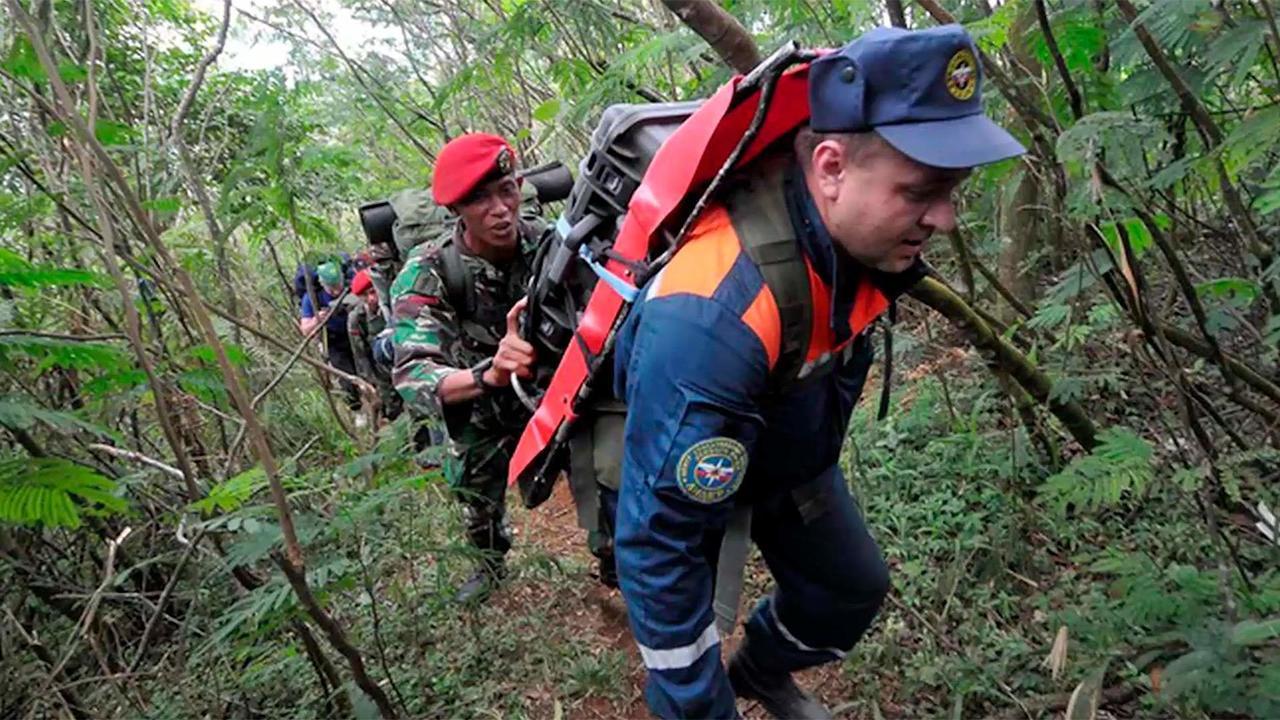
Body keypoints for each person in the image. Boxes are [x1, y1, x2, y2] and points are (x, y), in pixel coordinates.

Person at [609, 26, 1025, 719]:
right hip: (694, 461)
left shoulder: (854, 237)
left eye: (953, 190)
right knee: (687, 631)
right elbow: (657, 546)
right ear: (829, 165)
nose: (946, 219)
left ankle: (763, 673)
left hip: (787, 451)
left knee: (848, 589)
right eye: (922, 190)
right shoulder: (713, 318)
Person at [390, 132, 546, 604]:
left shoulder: (550, 243)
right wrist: (489, 376)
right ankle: (491, 561)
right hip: (482, 404)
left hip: (553, 390)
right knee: (477, 494)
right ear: (456, 209)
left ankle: (612, 553)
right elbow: (414, 375)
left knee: (606, 470)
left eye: (506, 190)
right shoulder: (430, 270)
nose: (500, 209)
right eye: (480, 199)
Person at [299, 261, 361, 413]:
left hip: (357, 333)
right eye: (331, 288)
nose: (335, 291)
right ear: (321, 283)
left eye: (337, 285)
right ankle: (357, 410)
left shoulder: (350, 286)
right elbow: (305, 329)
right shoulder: (312, 298)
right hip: (334, 341)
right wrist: (317, 319)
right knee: (346, 378)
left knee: (367, 369)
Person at [346, 268, 402, 422]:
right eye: (365, 295)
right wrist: (371, 385)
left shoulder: (395, 304)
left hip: (406, 364)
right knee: (394, 413)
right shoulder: (357, 319)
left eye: (373, 291)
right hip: (383, 377)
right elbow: (361, 356)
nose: (371, 298)